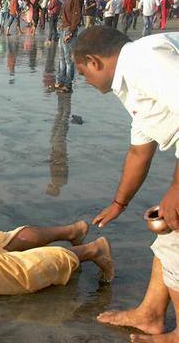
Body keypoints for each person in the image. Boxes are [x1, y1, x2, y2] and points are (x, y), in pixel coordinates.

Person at [72, 27, 179, 343]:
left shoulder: (144, 62)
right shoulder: (132, 78)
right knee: (167, 236)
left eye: (82, 73)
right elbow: (139, 150)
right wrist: (120, 202)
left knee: (176, 246)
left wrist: (177, 188)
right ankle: (151, 314)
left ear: (94, 61)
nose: (85, 82)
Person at [56, 0, 82, 93]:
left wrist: (71, 32)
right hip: (63, 29)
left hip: (69, 30)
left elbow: (77, 16)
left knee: (68, 60)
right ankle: (60, 80)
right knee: (61, 57)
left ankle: (68, 84)